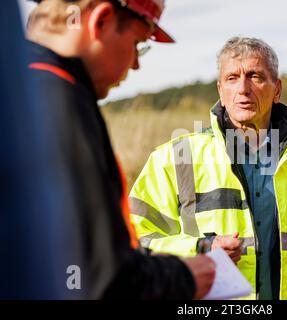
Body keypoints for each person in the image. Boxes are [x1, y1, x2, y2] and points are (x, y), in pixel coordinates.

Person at [129, 36, 287, 300]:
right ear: (220, 90)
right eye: (232, 78)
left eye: (255, 76)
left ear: (277, 90)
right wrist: (199, 248)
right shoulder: (174, 159)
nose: (243, 88)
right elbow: (134, 242)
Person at [24, 0, 215, 299]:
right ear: (101, 20)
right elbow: (103, 279)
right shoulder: (65, 104)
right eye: (138, 43)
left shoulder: (23, 89)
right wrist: (185, 277)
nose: (135, 64)